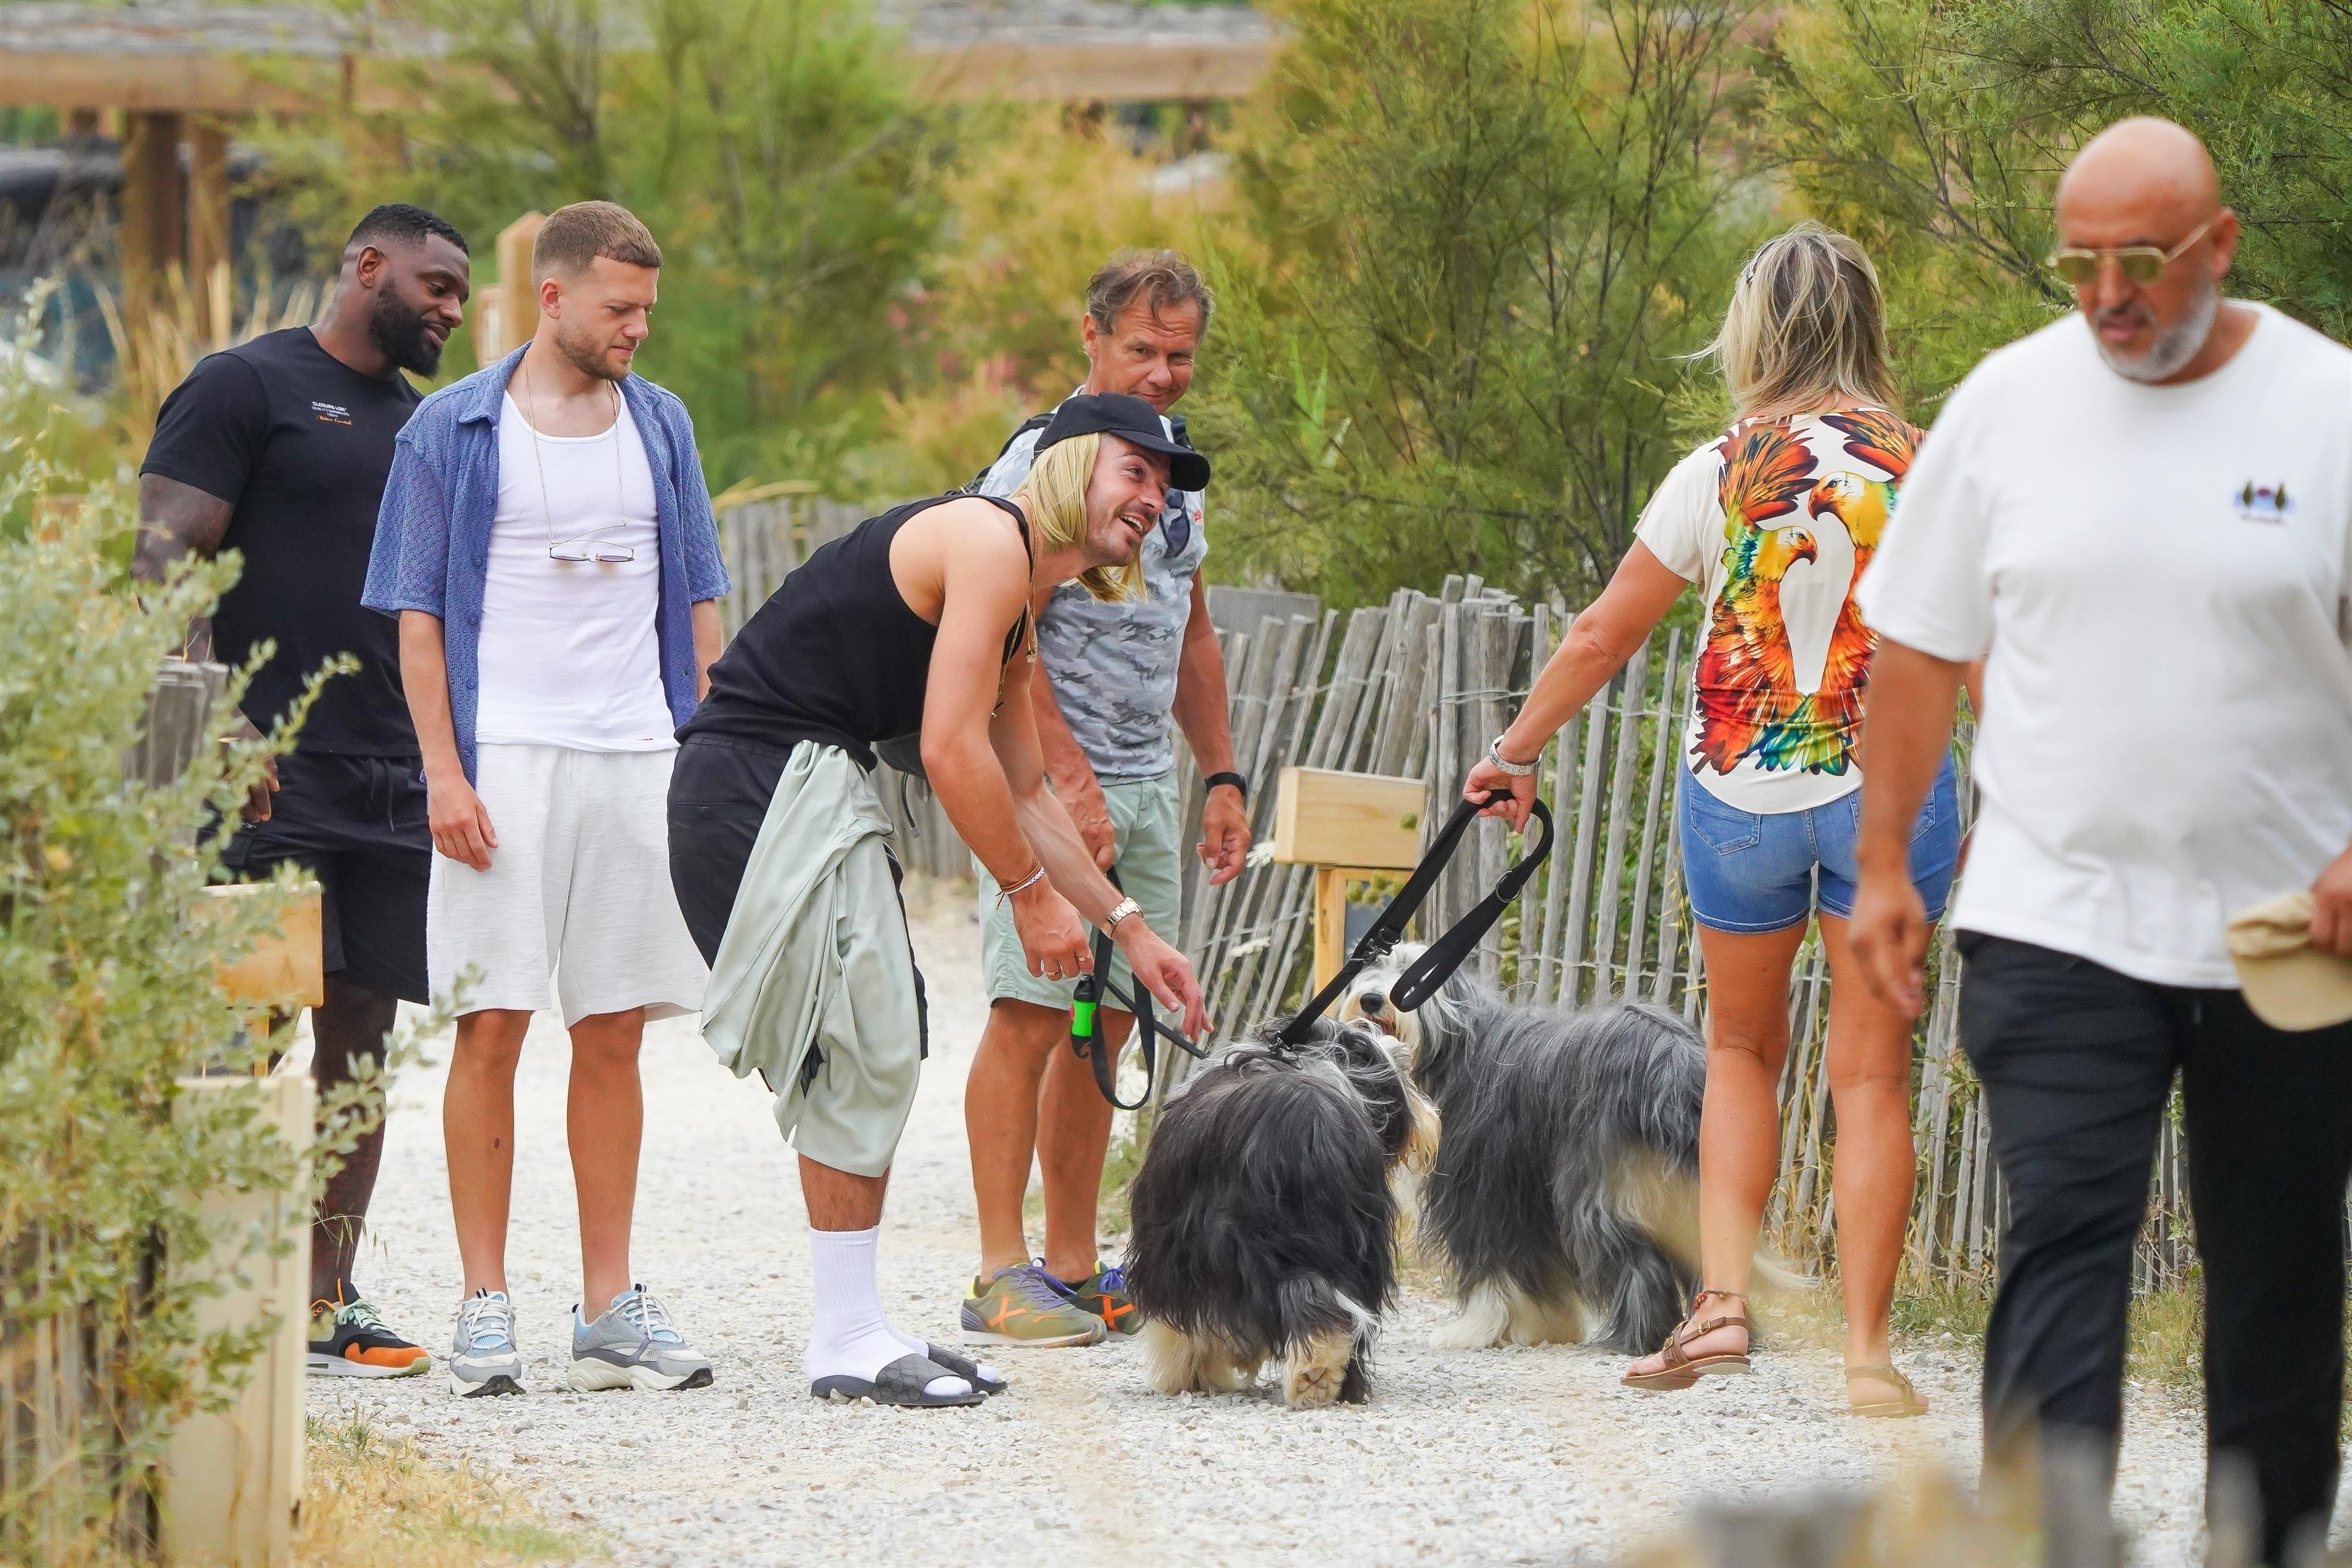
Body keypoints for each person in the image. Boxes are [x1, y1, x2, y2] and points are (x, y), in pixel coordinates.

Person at [1849, 117, 2352, 1563]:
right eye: (2081, 265)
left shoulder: (2322, 407)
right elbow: (1915, 647)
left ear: (2219, 245)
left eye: (2142, 261)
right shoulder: (2008, 403)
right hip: (2053, 914)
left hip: (2285, 931)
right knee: (2060, 1243)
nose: (2109, 295)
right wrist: (1886, 866)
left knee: (2275, 1270)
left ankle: (2262, 1544)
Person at [1463, 223, 1967, 1416]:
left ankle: (1723, 1306)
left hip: (1740, 790)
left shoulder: (1722, 468)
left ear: (1756, 330)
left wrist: (1514, 752)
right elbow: (1978, 652)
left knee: (1739, 1050)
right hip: (1885, 795)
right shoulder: (1933, 465)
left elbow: (1602, 634)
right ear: (1869, 322)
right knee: (1872, 1076)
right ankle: (1865, 1357)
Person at [668, 392, 1212, 1407]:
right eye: (1135, 472)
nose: (1155, 499)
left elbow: (1030, 789)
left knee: (876, 1033)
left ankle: (855, 1323)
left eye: (1165, 485)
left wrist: (1129, 931)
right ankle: (844, 1336)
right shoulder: (990, 540)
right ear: (1072, 463)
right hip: (755, 781)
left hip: (799, 784)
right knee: (857, 1039)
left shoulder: (1017, 611)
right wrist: (1029, 896)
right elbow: (950, 749)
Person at [363, 200, 728, 1399]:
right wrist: (446, 775)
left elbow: (701, 605)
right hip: (504, 756)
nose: (637, 329)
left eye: (647, 311)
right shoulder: (449, 427)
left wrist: (704, 754)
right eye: (619, 308)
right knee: (493, 1025)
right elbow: (418, 620)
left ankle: (610, 1303)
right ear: (554, 295)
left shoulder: (663, 424)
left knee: (614, 1025)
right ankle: (484, 1302)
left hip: (634, 754)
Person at [136, 202, 471, 1382]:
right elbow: (164, 552)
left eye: (460, 298)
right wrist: (217, 712)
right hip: (269, 777)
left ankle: (325, 1297)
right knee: (247, 1029)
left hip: (390, 778)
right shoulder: (246, 386)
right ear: (367, 267)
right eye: (433, 285)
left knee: (362, 1042)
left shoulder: (427, 425)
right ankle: (201, 1289)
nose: (447, 310)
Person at [958, 249, 1249, 1347]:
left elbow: (1195, 632)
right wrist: (1062, 778)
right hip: (1039, 785)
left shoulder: (1169, 472)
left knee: (1113, 1024)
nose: (1166, 373)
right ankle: (998, 1266)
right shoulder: (1039, 460)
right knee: (1030, 1013)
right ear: (1090, 338)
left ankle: (1073, 1262)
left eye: (1181, 355)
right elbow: (999, 633)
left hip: (1147, 782)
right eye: (1143, 349)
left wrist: (1218, 773)